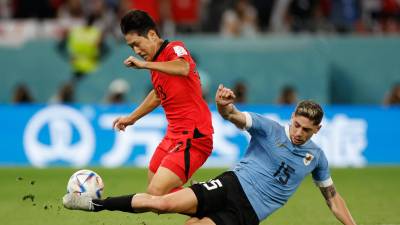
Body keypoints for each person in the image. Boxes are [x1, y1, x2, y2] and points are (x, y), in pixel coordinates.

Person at [63, 84, 357, 225]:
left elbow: (332, 198)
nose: (298, 132)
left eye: (306, 129)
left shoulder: (316, 158)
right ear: (291, 117)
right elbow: (235, 116)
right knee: (162, 203)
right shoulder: (270, 128)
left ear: (317, 130)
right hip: (230, 185)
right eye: (296, 124)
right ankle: (92, 205)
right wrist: (224, 105)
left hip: (246, 215)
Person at [112, 10, 214, 195]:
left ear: (151, 35)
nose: (136, 51)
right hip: (173, 135)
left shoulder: (174, 48)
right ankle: (205, 198)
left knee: (157, 192)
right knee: (155, 195)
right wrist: (131, 118)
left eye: (137, 44)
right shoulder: (156, 62)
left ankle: (212, 197)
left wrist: (145, 65)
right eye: (131, 47)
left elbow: (183, 67)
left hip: (194, 134)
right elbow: (158, 95)